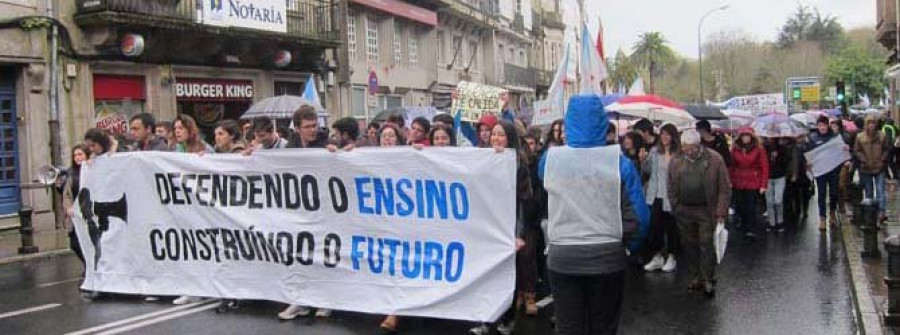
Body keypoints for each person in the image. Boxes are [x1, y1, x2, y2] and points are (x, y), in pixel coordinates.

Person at [535, 94, 649, 335]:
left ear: (568, 122)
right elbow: (639, 218)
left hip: (562, 256)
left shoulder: (549, 160)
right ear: (601, 121)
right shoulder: (619, 162)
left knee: (568, 326)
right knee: (603, 327)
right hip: (607, 256)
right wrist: (625, 246)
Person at [469, 120, 532, 335]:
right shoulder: (481, 159)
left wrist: (519, 235)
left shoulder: (519, 164)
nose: (495, 138)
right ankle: (486, 320)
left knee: (506, 275)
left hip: (508, 228)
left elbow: (524, 202)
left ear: (510, 138)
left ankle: (507, 319)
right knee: (486, 274)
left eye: (501, 135)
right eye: (493, 134)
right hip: (486, 227)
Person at [668, 129, 731, 298]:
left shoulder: (714, 159)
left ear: (698, 145)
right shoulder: (676, 160)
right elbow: (670, 184)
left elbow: (725, 188)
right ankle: (695, 276)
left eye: (692, 148)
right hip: (684, 209)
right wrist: (675, 205)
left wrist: (720, 212)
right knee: (689, 245)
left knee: (706, 244)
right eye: (685, 148)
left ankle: (708, 278)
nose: (689, 151)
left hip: (706, 209)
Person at [641, 124, 681, 273]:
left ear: (673, 136)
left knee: (671, 228)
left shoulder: (678, 154)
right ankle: (657, 256)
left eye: (668, 134)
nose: (664, 137)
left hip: (671, 195)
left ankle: (672, 256)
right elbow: (647, 171)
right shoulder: (654, 151)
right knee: (655, 227)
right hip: (655, 194)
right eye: (662, 134)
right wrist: (643, 160)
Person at [808, 116, 849, 231]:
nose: (822, 128)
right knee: (821, 194)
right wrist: (809, 162)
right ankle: (822, 218)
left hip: (833, 170)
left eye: (824, 125)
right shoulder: (813, 138)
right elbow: (809, 153)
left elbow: (842, 150)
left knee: (834, 193)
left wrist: (845, 150)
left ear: (827, 126)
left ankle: (832, 214)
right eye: (819, 125)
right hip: (820, 171)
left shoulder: (834, 137)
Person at [729, 127, 768, 240]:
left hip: (753, 181)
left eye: (747, 135)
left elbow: (764, 167)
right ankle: (742, 223)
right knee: (740, 205)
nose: (745, 138)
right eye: (743, 136)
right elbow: (731, 165)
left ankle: (750, 229)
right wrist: (730, 180)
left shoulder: (759, 149)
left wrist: (763, 184)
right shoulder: (735, 149)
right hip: (738, 180)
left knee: (750, 206)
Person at [854, 115, 891, 222]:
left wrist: (883, 159)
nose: (872, 125)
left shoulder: (882, 136)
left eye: (873, 123)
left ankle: (881, 212)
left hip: (879, 167)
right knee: (868, 191)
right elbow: (857, 150)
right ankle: (870, 213)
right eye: (869, 123)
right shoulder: (860, 137)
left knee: (880, 190)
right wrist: (863, 159)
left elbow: (887, 149)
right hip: (866, 167)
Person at [61, 144, 89, 269]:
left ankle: (92, 267)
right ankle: (88, 264)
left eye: (80, 154)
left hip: (89, 212)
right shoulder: (71, 172)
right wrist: (68, 208)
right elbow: (66, 193)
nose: (77, 157)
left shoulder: (91, 169)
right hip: (76, 214)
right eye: (75, 155)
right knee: (75, 243)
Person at [764, 137, 795, 233]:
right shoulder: (764, 148)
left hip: (779, 177)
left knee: (778, 200)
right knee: (769, 201)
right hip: (767, 177)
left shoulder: (782, 148)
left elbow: (787, 161)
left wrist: (778, 158)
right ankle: (772, 223)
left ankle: (780, 221)